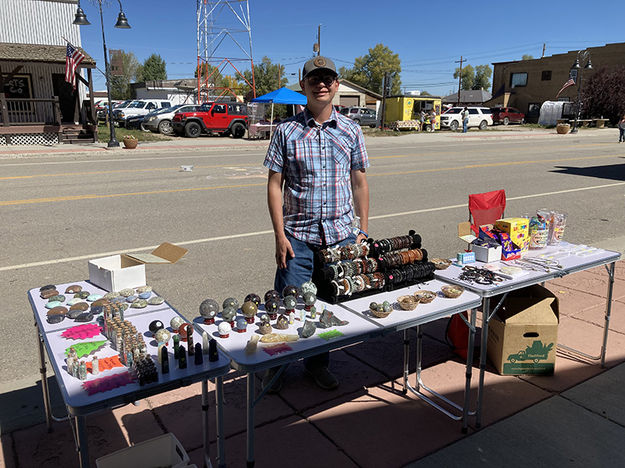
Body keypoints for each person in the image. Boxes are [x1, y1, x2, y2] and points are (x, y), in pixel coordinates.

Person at [263, 56, 370, 392]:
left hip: (339, 238)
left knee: (326, 307)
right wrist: (280, 236)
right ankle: (276, 367)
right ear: (304, 85)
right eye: (314, 79)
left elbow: (360, 183)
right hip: (298, 239)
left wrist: (362, 231)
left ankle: (317, 364)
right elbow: (273, 185)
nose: (321, 84)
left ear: (336, 85)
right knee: (287, 305)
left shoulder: (351, 130)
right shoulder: (287, 131)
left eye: (328, 78)